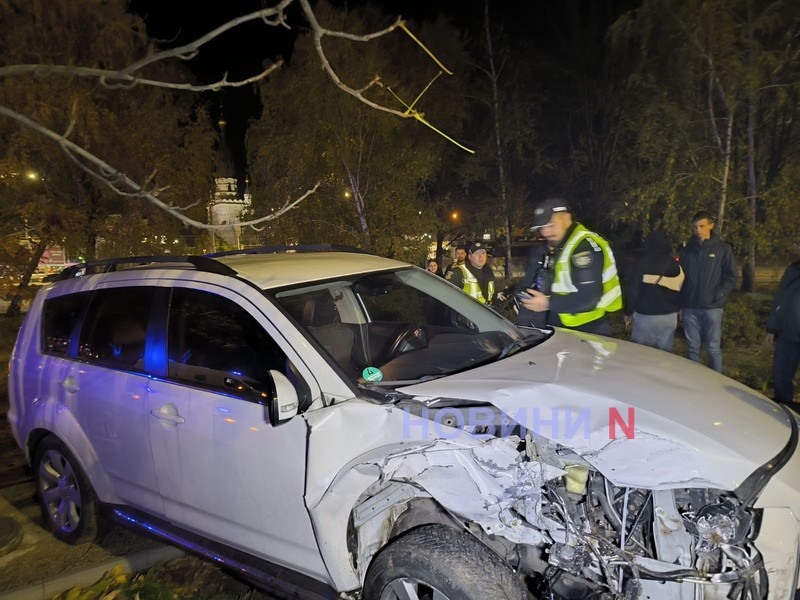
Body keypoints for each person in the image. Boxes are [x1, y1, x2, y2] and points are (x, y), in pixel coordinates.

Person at [517, 198, 622, 335]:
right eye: (542, 228)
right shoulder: (559, 246)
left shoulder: (584, 246)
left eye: (551, 225)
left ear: (567, 218)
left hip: (588, 329)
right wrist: (524, 299)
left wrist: (546, 303)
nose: (546, 233)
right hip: (561, 326)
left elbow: (588, 298)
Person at [679, 210, 738, 372]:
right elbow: (680, 277)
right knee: (692, 349)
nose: (698, 230)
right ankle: (695, 385)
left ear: (710, 226)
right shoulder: (686, 250)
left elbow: (732, 276)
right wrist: (681, 303)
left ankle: (716, 385)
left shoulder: (723, 249)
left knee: (713, 348)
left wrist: (718, 294)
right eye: (695, 227)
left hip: (713, 308)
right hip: (690, 307)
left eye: (702, 226)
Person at [623, 230, 684, 351]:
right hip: (669, 318)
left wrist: (628, 312)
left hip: (645, 317)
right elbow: (683, 290)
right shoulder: (676, 265)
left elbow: (632, 291)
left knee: (641, 355)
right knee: (663, 357)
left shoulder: (641, 263)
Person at [765, 245, 800, 404]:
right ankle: (785, 416)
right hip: (788, 335)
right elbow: (780, 300)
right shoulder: (793, 270)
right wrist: (772, 328)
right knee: (780, 377)